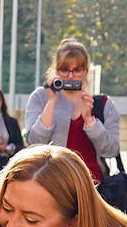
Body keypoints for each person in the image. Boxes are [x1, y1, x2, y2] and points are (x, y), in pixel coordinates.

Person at [23, 39, 121, 183]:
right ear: (56, 70)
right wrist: (51, 102)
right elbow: (34, 143)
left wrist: (90, 120)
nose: (70, 76)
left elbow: (111, 150)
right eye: (64, 69)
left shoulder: (103, 104)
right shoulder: (41, 97)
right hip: (51, 183)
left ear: (85, 71)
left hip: (91, 184)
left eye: (76, 70)